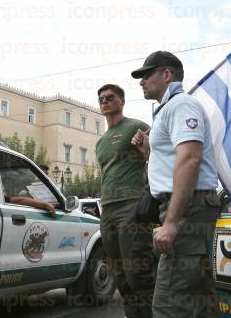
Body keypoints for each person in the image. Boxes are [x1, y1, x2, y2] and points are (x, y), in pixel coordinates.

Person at [131, 51, 221, 318]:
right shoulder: (170, 109)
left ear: (166, 74)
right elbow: (177, 161)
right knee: (199, 297)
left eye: (146, 75)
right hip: (189, 206)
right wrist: (149, 153)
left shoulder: (181, 105)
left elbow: (191, 159)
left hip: (186, 207)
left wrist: (171, 223)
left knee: (169, 304)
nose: (141, 81)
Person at [95, 84, 156, 317]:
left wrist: (147, 152)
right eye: (101, 98)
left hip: (131, 206)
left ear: (121, 100)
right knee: (120, 276)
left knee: (138, 274)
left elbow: (158, 150)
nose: (105, 101)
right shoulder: (100, 142)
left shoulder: (136, 126)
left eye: (110, 97)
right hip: (107, 209)